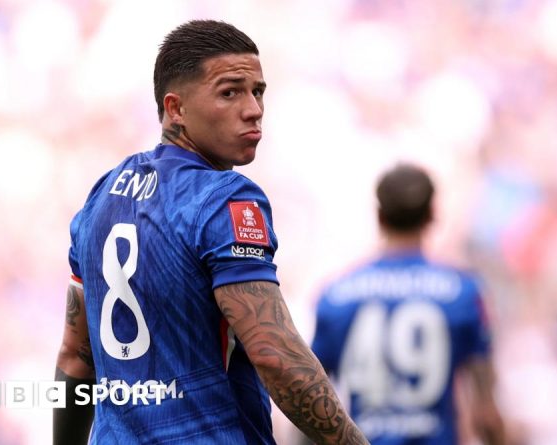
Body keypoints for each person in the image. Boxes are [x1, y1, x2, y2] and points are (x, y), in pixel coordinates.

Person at [53, 19, 368, 445]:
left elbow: (75, 359)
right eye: (230, 92)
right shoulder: (224, 197)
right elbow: (275, 356)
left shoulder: (101, 194)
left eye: (258, 92)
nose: (254, 109)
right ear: (176, 108)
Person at [311, 164, 505, 445]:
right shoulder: (464, 293)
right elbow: (486, 413)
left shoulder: (336, 295)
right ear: (432, 215)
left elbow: (310, 400)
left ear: (379, 216)